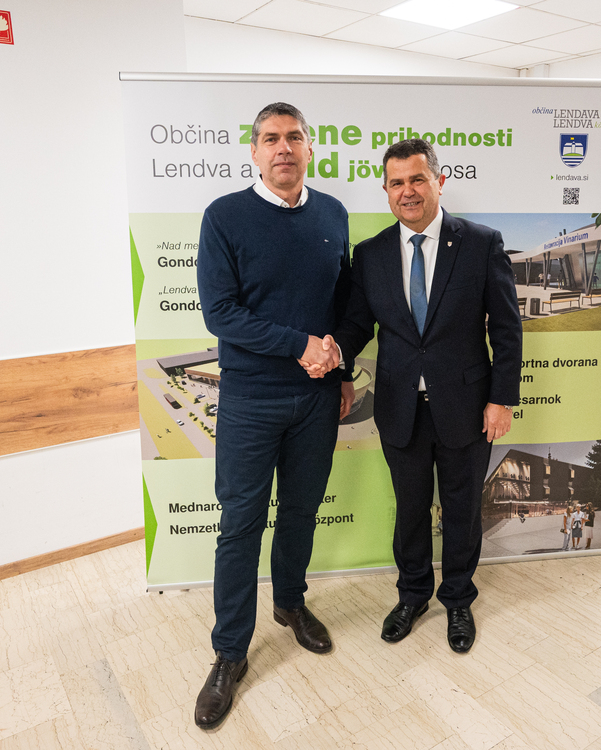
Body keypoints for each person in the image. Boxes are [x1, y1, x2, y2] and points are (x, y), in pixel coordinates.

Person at [318, 139, 522, 652]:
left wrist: (502, 399)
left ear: (439, 181)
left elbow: (507, 329)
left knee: (461, 510)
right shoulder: (370, 255)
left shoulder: (480, 243)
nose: (407, 191)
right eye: (396, 183)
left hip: (467, 408)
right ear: (386, 190)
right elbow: (357, 324)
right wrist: (334, 353)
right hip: (400, 408)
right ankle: (412, 596)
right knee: (409, 509)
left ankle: (458, 599)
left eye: (416, 179)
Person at [193, 102, 356, 729]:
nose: (282, 148)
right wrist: (300, 346)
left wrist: (340, 367)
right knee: (240, 524)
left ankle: (289, 602)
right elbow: (220, 313)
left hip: (317, 398)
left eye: (293, 137)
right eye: (270, 138)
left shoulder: (332, 213)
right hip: (252, 398)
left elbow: (342, 302)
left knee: (300, 510)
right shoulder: (224, 215)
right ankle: (230, 652)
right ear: (254, 152)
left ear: (310, 147)